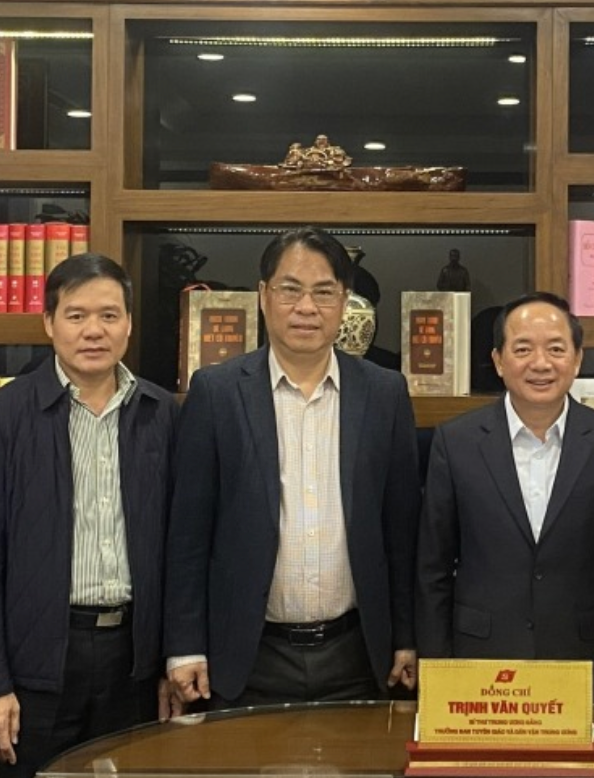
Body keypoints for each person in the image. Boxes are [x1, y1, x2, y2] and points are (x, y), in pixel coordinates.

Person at [165, 225, 420, 707]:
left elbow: (401, 528)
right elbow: (188, 534)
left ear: (344, 301)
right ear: (264, 295)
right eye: (290, 289)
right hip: (247, 654)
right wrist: (184, 646)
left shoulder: (384, 393)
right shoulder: (217, 392)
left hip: (357, 653)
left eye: (324, 292)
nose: (306, 307)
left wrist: (405, 636)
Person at [0, 253, 180, 776]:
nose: (93, 331)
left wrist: (171, 658)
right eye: (76, 316)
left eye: (109, 315)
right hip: (36, 664)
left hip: (135, 663)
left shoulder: (161, 414)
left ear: (128, 324)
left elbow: (180, 549)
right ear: (49, 323)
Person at [416, 293, 594, 705]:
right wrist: (436, 675)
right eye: (523, 349)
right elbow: (432, 569)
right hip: (480, 661)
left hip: (584, 662)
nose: (541, 364)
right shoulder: (456, 443)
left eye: (556, 349)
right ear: (498, 360)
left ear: (577, 359)